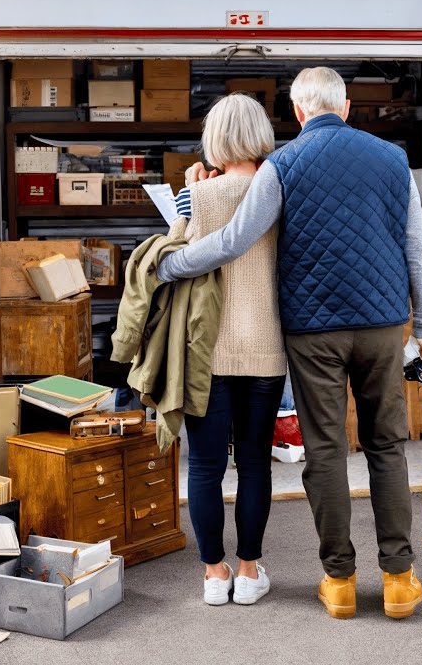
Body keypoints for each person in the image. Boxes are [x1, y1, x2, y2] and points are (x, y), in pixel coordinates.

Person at [158, 67, 422, 620]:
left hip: (312, 333)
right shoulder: (393, 160)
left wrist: (172, 264)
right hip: (382, 326)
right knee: (387, 449)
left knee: (327, 453)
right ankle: (400, 578)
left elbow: (236, 240)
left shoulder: (283, 165)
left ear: (300, 112)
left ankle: (339, 584)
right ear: (348, 106)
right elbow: (417, 254)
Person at [172, 93, 285, 607]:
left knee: (205, 467)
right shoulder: (279, 188)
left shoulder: (199, 195)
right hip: (266, 346)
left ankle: (214, 575)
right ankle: (248, 569)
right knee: (256, 463)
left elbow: (173, 256)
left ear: (213, 139)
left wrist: (186, 204)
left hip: (208, 352)